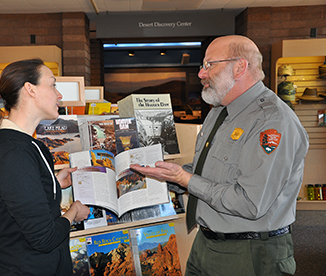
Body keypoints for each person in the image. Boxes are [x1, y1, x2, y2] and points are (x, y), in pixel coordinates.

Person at [130, 35, 309, 276]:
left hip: (250, 254)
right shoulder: (220, 111)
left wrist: (186, 180)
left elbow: (250, 202)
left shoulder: (272, 120)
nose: (201, 74)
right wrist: (172, 177)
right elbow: (208, 172)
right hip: (205, 242)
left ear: (239, 67)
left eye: (209, 65)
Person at [0, 58, 90, 275]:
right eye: (52, 85)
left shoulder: (21, 146)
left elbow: (16, 195)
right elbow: (44, 238)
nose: (59, 95)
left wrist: (53, 183)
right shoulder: (12, 151)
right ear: (30, 89)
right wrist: (73, 213)